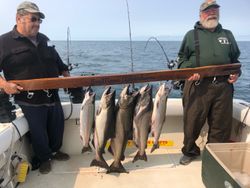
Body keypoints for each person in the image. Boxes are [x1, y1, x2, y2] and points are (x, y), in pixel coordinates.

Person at [0, 1, 70, 174]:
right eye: (33, 19)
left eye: (39, 20)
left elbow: (59, 63)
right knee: (38, 132)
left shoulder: (45, 39)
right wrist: (4, 85)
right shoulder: (4, 42)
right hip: (29, 99)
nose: (37, 24)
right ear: (19, 18)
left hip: (53, 95)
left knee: (57, 125)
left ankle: (54, 151)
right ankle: (44, 158)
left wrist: (67, 76)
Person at [178, 0, 240, 165]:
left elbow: (235, 60)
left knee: (221, 124)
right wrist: (188, 72)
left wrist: (236, 73)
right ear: (200, 15)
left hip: (223, 87)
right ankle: (190, 151)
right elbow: (181, 59)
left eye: (215, 10)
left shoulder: (228, 34)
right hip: (198, 86)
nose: (212, 13)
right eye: (207, 10)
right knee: (192, 122)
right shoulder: (191, 35)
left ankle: (214, 156)